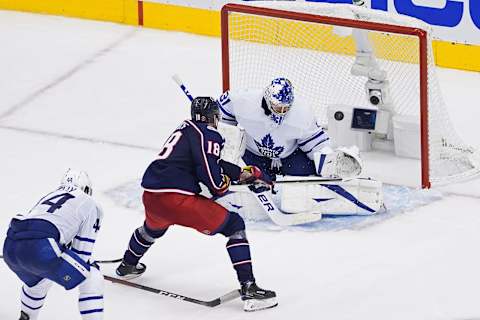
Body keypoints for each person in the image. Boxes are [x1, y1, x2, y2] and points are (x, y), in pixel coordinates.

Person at [115, 96, 277, 312]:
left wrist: (245, 174)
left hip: (152, 197)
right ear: (213, 117)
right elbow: (214, 182)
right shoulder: (208, 134)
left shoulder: (185, 129)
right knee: (235, 226)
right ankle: (249, 288)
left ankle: (127, 265)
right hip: (177, 200)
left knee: (151, 230)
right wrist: (225, 182)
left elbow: (213, 162)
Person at [2, 169, 104, 320]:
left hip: (11, 247)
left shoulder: (49, 195)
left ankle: (26, 317)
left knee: (39, 281)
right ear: (87, 188)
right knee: (92, 278)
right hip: (42, 247)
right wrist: (89, 266)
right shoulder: (90, 203)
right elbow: (81, 256)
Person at [218, 77, 362, 181]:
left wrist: (327, 162)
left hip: (289, 156)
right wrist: (226, 145)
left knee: (303, 177)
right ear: (268, 99)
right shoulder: (245, 101)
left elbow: (316, 144)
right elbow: (222, 111)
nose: (281, 112)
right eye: (277, 107)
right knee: (253, 178)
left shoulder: (302, 112)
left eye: (285, 108)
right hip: (253, 154)